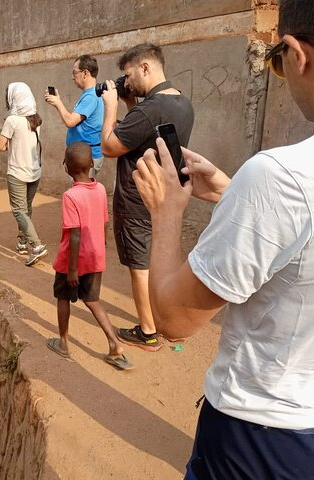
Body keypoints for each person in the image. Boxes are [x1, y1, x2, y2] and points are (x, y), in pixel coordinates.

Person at [131, 1, 314, 478]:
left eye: (277, 59)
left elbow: (174, 319)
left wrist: (166, 212)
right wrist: (229, 192)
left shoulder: (281, 176)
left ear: (298, 55)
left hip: (263, 440)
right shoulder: (285, 184)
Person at [100, 43, 194, 352]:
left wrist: (112, 105)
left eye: (128, 75)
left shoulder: (149, 108)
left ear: (145, 67)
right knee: (156, 258)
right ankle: (158, 317)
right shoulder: (181, 103)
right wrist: (130, 105)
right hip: (162, 196)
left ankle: (148, 331)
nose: (127, 83)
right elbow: (144, 136)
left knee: (139, 265)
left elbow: (111, 146)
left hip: (136, 197)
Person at [46, 142, 132, 370]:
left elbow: (74, 234)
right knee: (93, 300)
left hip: (71, 260)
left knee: (63, 297)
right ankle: (114, 344)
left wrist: (72, 268)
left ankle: (63, 343)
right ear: (92, 163)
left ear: (66, 168)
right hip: (95, 256)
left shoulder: (70, 196)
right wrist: (101, 245)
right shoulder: (101, 189)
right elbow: (104, 221)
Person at [0, 82, 48, 267]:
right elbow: (19, 139)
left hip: (17, 173)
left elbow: (0, 146)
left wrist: (1, 128)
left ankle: (37, 246)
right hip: (34, 172)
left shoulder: (12, 121)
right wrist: (0, 126)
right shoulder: (35, 120)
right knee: (26, 208)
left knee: (18, 210)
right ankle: (22, 242)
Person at [45, 54, 105, 178]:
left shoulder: (90, 96)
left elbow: (70, 121)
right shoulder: (90, 94)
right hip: (83, 156)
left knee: (83, 194)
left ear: (85, 73)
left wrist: (58, 103)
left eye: (75, 72)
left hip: (86, 157)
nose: (73, 77)